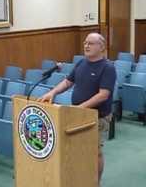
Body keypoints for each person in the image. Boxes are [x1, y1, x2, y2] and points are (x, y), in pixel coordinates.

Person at [38, 33, 116, 185]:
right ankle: (80, 177)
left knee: (95, 152)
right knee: (77, 149)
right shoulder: (81, 63)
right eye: (85, 43)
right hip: (77, 113)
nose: (86, 45)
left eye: (91, 43)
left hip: (97, 116)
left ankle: (95, 182)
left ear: (101, 47)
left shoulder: (108, 67)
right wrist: (52, 92)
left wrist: (80, 108)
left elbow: (103, 95)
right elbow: (68, 82)